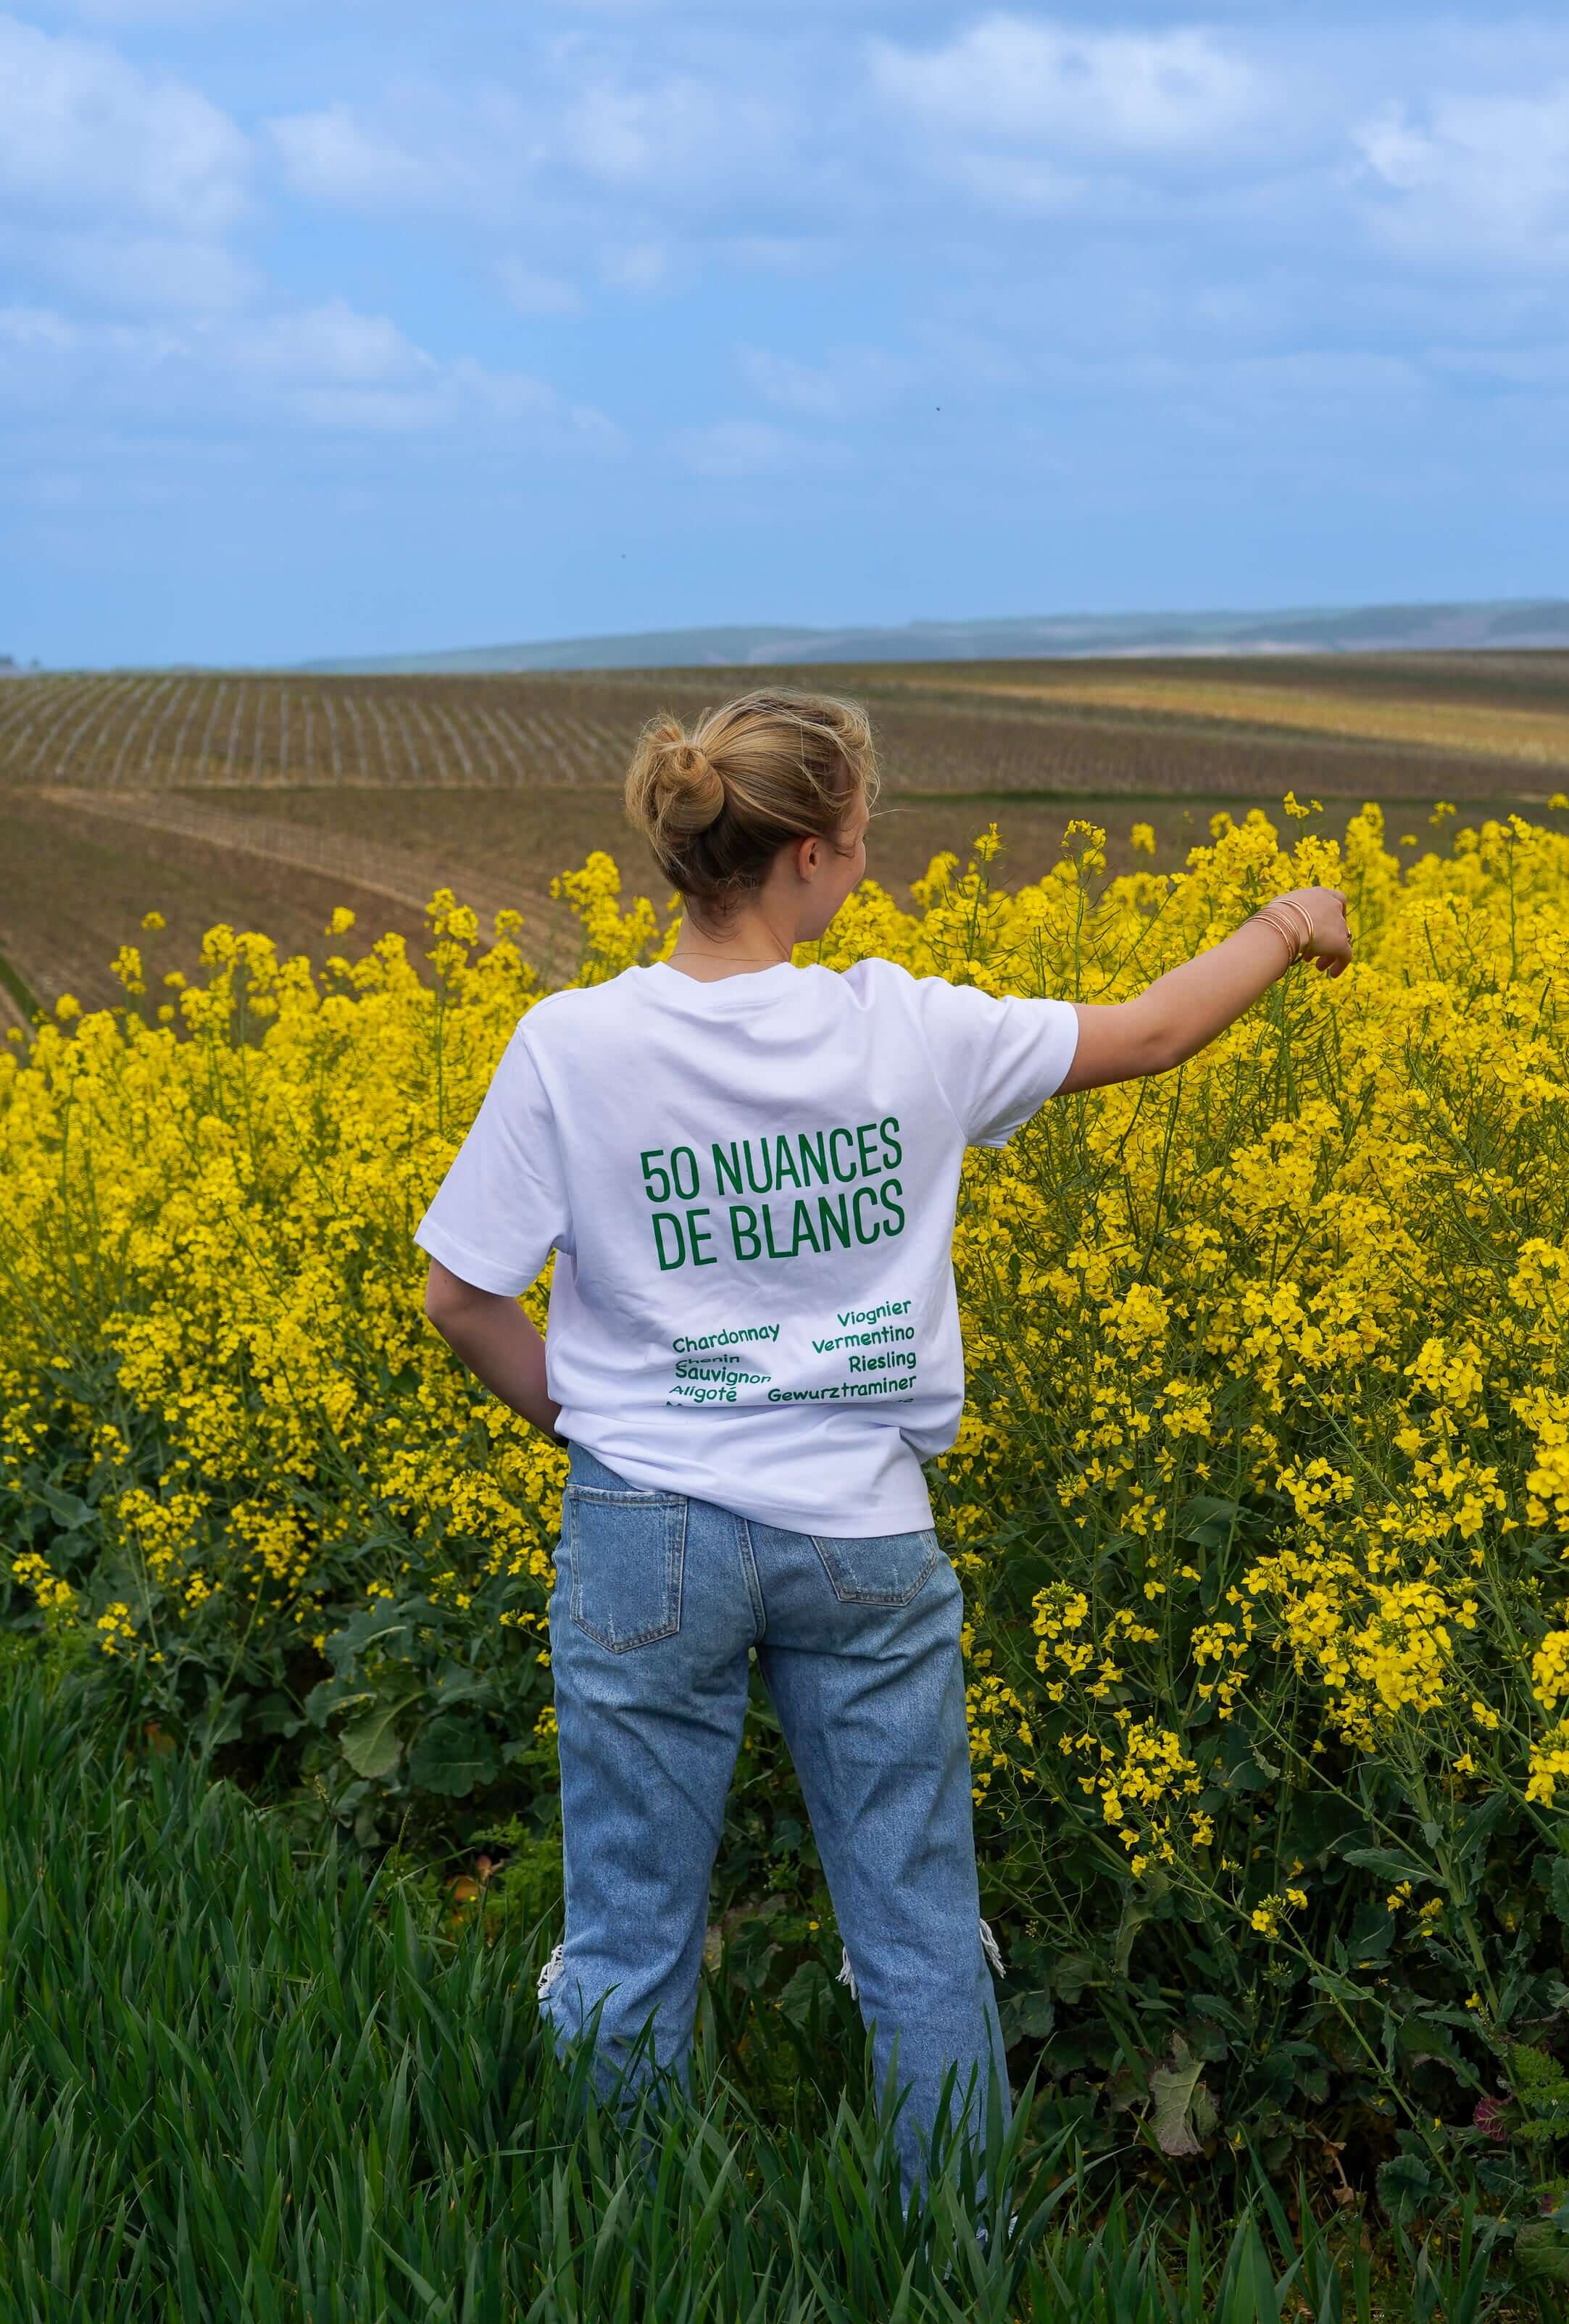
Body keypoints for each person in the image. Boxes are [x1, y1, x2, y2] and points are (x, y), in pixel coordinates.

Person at [417, 688, 1350, 2206]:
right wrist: (1284, 921)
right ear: (807, 859)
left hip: (646, 1526)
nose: (864, 865)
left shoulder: (570, 1046)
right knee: (916, 1929)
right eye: (857, 842)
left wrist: (607, 1429)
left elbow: (461, 1297)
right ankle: (950, 2254)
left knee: (629, 1929)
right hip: (862, 1533)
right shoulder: (912, 1031)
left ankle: (613, 2250)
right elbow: (1160, 1028)